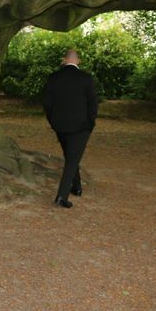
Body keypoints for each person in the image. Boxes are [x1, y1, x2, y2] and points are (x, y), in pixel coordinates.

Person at [42, 49, 98, 208]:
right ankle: (61, 196)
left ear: (63, 60)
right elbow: (93, 104)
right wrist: (90, 123)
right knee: (72, 160)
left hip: (60, 126)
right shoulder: (86, 78)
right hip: (81, 127)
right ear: (78, 60)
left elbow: (47, 103)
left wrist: (53, 121)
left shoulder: (54, 77)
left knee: (71, 157)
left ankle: (77, 187)